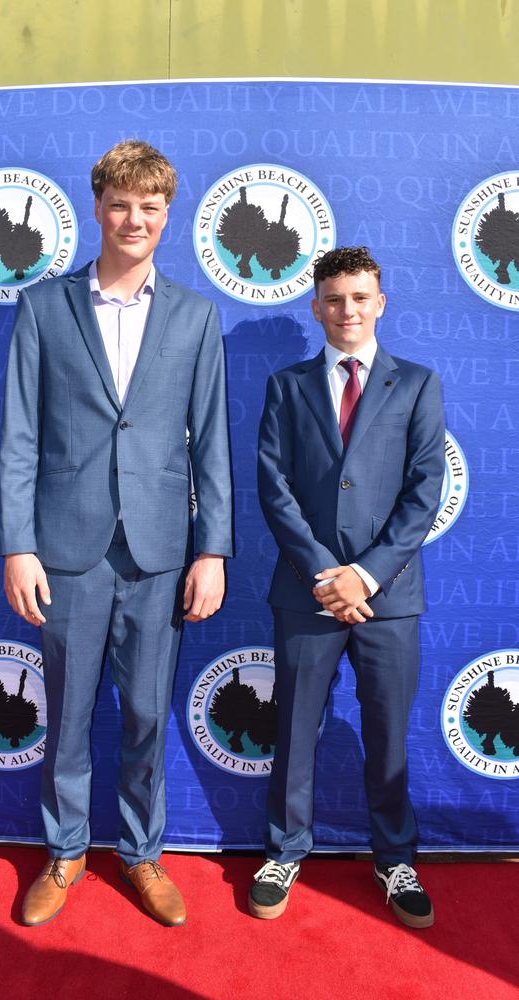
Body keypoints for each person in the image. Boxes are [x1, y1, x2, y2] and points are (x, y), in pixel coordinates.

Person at [0, 140, 232, 927]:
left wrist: (213, 550)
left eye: (151, 207)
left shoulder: (198, 317)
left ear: (169, 215)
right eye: (122, 204)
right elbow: (20, 438)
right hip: (65, 551)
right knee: (64, 715)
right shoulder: (42, 308)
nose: (136, 219)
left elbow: (212, 443)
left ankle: (140, 855)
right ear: (97, 209)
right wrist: (17, 543)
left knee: (145, 714)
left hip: (161, 551)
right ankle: (64, 854)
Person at [251, 246, 444, 928]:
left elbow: (426, 491)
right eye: (334, 299)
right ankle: (284, 850)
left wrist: (363, 574)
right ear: (315, 307)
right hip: (305, 592)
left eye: (360, 297)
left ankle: (395, 859)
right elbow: (273, 487)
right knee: (295, 729)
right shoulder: (287, 385)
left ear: (380, 302)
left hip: (389, 596)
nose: (347, 310)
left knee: (387, 734)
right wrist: (325, 574)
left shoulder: (417, 384)